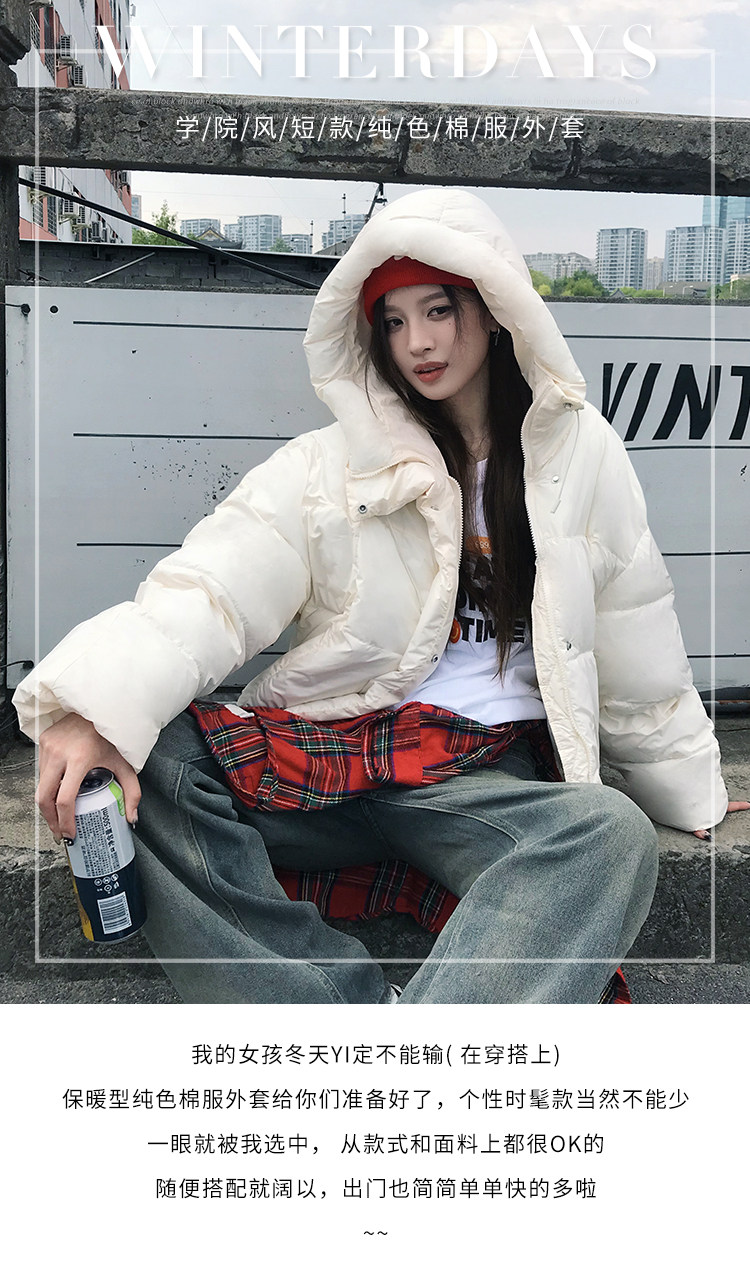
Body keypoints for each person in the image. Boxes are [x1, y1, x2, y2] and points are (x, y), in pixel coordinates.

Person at [13, 188, 747, 1004]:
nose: (418, 342)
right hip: (335, 751)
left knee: (609, 834)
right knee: (145, 752)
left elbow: (634, 637)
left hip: (484, 776)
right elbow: (211, 589)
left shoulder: (581, 456)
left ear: (493, 309)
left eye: (439, 310)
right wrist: (97, 710)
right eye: (393, 321)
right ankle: (345, 1023)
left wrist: (689, 786)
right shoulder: (330, 464)